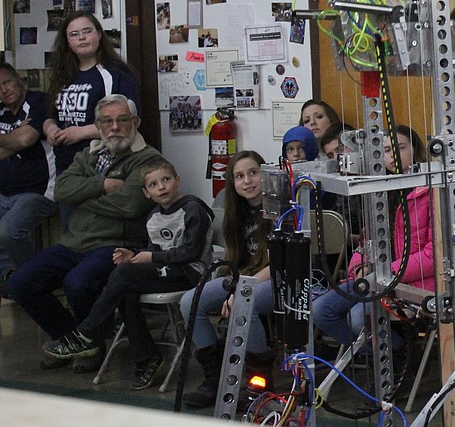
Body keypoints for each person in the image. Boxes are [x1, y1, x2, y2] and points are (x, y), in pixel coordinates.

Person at [7, 95, 159, 373]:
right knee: (19, 283)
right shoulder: (87, 154)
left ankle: (89, 341)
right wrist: (103, 184)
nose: (114, 127)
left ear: (135, 123)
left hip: (116, 244)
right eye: (107, 121)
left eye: (122, 120)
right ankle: (72, 339)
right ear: (98, 126)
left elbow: (130, 205)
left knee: (77, 282)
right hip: (73, 243)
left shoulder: (147, 159)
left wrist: (83, 196)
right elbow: (62, 191)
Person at [41, 162, 213, 390]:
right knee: (126, 287)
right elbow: (157, 251)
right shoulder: (153, 217)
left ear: (177, 181)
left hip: (191, 273)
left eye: (166, 180)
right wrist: (136, 254)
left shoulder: (193, 208)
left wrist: (147, 258)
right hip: (167, 271)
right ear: (146, 193)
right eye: (153, 184)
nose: (161, 187)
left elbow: (189, 252)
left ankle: (86, 333)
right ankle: (146, 357)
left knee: (124, 275)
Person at [311, 126, 433, 362]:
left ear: (415, 150)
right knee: (321, 310)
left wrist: (388, 273)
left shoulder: (431, 193)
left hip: (412, 282)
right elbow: (368, 240)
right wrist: (360, 266)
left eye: (400, 148)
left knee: (358, 317)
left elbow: (432, 256)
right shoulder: (381, 191)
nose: (393, 156)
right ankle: (386, 353)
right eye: (386, 150)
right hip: (378, 278)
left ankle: (395, 357)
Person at [180, 150, 274, 408]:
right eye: (240, 176)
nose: (248, 181)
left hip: (278, 280)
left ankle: (260, 384)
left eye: (253, 173)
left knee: (246, 304)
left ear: (265, 174)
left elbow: (280, 264)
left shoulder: (280, 208)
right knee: (190, 302)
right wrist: (235, 285)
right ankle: (214, 379)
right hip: (244, 278)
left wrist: (241, 291)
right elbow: (236, 260)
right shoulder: (235, 213)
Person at [43, 12, 141, 230]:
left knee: (99, 231)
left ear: (98, 35)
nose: (82, 38)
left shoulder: (116, 73)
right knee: (71, 232)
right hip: (66, 167)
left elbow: (130, 121)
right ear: (68, 42)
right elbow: (50, 115)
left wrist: (81, 132)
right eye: (74, 34)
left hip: (102, 163)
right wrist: (50, 128)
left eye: (87, 31)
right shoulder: (62, 75)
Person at [0, 60, 58, 288]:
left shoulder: (39, 102)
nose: (3, 91)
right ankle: (9, 276)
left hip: (38, 192)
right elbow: (20, 140)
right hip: (4, 193)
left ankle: (36, 281)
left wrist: (20, 138)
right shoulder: (2, 111)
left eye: (6, 83)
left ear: (18, 80)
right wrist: (16, 135)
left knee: (8, 231)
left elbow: (26, 139)